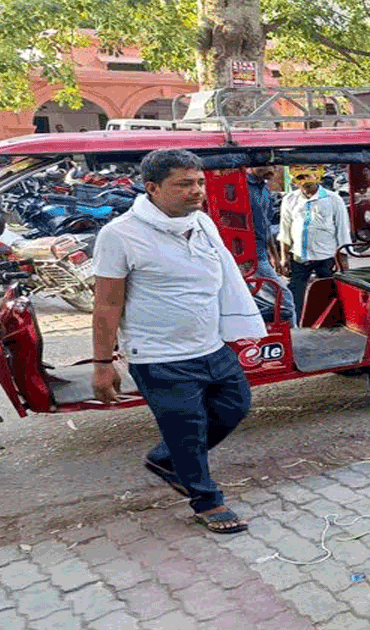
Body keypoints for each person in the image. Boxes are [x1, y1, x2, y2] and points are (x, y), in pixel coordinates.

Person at [92, 149, 267, 534]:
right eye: (184, 184)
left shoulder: (202, 223)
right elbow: (106, 303)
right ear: (152, 188)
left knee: (235, 406)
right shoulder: (119, 235)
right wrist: (102, 364)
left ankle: (167, 459)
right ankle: (207, 500)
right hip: (160, 356)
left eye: (199, 182)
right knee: (186, 429)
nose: (196, 191)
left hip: (211, 347)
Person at [277, 165, 352, 323]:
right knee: (295, 295)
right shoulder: (290, 199)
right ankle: (295, 326)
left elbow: (343, 232)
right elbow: (285, 231)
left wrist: (344, 263)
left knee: (330, 294)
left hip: (325, 257)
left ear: (317, 177)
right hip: (299, 257)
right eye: (301, 178)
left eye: (308, 177)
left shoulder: (334, 199)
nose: (305, 182)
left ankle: (333, 324)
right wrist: (283, 257)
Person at [247, 166, 296, 325]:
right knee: (284, 297)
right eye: (264, 166)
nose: (270, 170)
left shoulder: (265, 189)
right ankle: (294, 335)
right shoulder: (242, 186)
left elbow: (266, 225)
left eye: (273, 166)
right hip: (246, 254)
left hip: (261, 253)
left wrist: (274, 256)